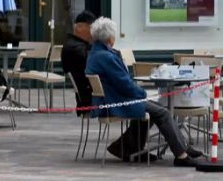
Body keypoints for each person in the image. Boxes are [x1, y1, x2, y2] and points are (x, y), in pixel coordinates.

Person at [85, 17, 202, 166]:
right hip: (116, 101)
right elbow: (125, 84)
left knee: (156, 108)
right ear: (109, 38)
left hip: (111, 99)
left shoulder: (96, 54)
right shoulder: (106, 57)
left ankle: (126, 148)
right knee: (163, 112)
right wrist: (143, 93)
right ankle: (181, 155)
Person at [61, 11, 97, 111]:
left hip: (88, 96)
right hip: (91, 99)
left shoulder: (75, 45)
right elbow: (93, 64)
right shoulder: (76, 48)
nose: (94, 32)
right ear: (81, 28)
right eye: (92, 28)